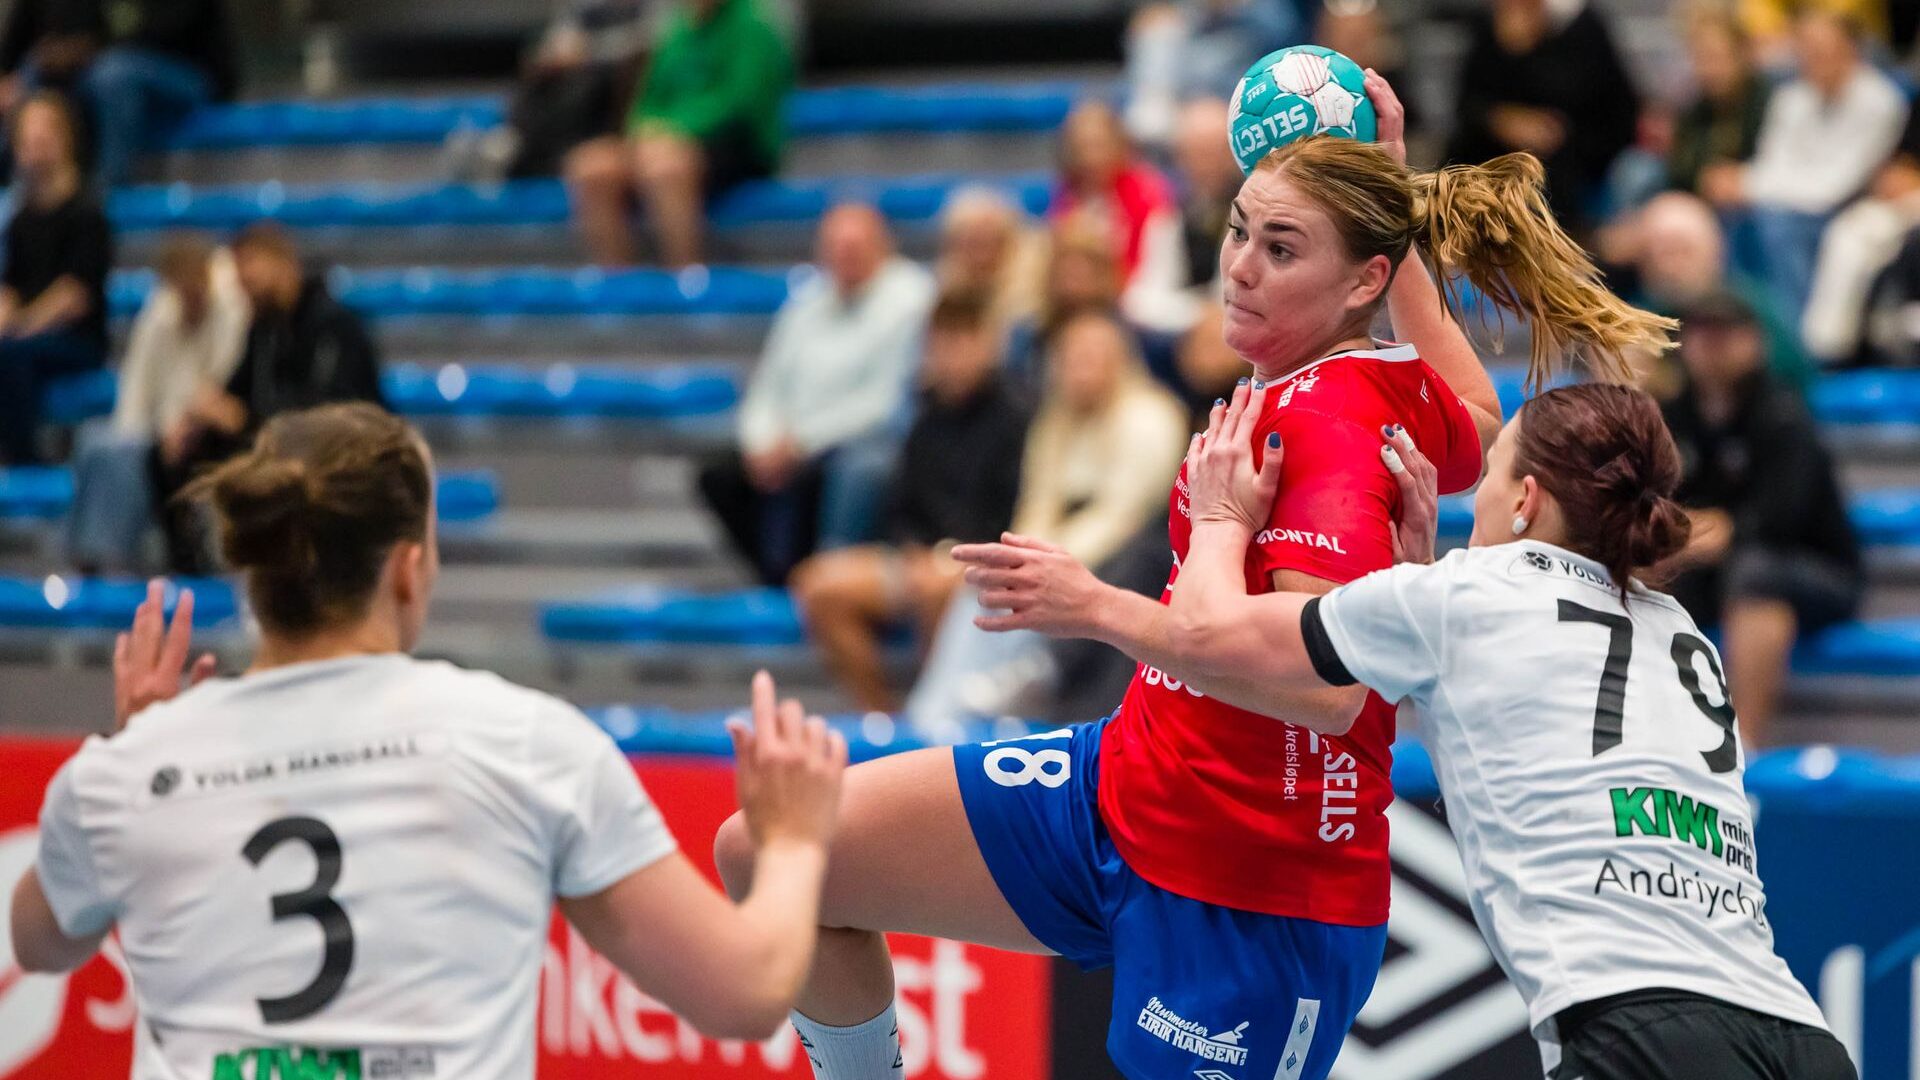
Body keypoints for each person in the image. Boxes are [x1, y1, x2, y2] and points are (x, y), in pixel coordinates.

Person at [710, 72, 1670, 1079]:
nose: (1240, 268)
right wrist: (1391, 203)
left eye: (1282, 249)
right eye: (1240, 231)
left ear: (1360, 283)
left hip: (1251, 884)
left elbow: (1330, 692)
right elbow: (1471, 415)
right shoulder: (1373, 378)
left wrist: (1100, 603)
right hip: (1125, 784)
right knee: (773, 851)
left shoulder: (1327, 429)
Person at [995, 377, 1854, 1080]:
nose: (1473, 497)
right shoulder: (1677, 628)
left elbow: (1212, 635)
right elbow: (1521, 707)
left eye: (1490, 476)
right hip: (1797, 1033)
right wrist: (1410, 576)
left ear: (1525, 499)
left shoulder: (1464, 599)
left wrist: (1190, 540)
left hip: (1644, 1033)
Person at [9, 402, 851, 1079]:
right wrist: (793, 841)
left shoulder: (126, 771)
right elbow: (745, 994)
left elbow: (42, 941)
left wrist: (139, 748)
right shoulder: (526, 743)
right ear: (408, 568)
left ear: (256, 576)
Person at [900, 310, 1188, 737]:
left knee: (1025, 587)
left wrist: (1043, 561)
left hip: (1122, 559)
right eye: (1071, 358)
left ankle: (1029, 677)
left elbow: (1124, 516)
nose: (1080, 369)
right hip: (1064, 546)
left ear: (1119, 360)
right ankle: (934, 715)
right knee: (983, 584)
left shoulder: (1151, 418)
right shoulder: (1055, 418)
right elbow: (1038, 503)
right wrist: (1018, 555)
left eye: (1092, 357)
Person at [791, 292, 1032, 714]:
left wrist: (948, 556)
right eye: (943, 342)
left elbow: (1014, 511)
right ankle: (880, 719)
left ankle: (932, 720)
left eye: (963, 341)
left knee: (942, 592)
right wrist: (914, 551)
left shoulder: (1018, 418)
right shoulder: (924, 416)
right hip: (917, 557)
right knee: (818, 586)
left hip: (980, 561)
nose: (952, 356)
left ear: (988, 346)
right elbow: (901, 504)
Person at [1657, 291, 1862, 747]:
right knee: (1645, 571)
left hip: (1814, 570)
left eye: (1724, 333)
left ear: (1753, 342)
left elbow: (1779, 520)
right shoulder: (1675, 414)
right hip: (1713, 569)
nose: (1711, 345)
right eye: (1701, 332)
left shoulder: (1783, 415)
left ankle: (1742, 742)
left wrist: (1707, 531)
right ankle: (1654, 735)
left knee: (1755, 572)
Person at [697, 204, 936, 586]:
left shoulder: (911, 299)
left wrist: (802, 443)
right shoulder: (806, 300)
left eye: (855, 247)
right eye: (836, 247)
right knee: (719, 471)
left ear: (883, 247)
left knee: (861, 469)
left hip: (864, 438)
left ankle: (834, 577)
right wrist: (761, 441)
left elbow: (884, 403)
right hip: (793, 440)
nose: (845, 256)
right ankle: (777, 578)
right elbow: (768, 385)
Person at [158, 222, 384, 572]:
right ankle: (194, 565)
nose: (243, 280)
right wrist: (196, 419)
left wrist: (243, 419)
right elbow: (234, 390)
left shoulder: (335, 325)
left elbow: (330, 411)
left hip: (333, 453)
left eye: (251, 264)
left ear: (282, 261)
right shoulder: (264, 328)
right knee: (177, 450)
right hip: (271, 439)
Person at [1700, 10, 1906, 329]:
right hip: (1787, 203)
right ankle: (1737, 321)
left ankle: (1793, 333)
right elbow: (1773, 162)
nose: (1813, 58)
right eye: (1806, 50)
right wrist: (1743, 184)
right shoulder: (1791, 97)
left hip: (1850, 205)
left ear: (1850, 49)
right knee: (1734, 215)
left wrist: (1748, 185)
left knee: (1778, 223)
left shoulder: (1880, 100)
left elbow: (1835, 185)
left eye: (1823, 49)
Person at [66, 235, 248, 572]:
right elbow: (136, 384)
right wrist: (135, 432)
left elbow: (220, 386)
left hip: (198, 430)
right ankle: (92, 559)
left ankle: (110, 558)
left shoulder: (233, 313)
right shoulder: (160, 314)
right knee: (95, 444)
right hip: (158, 428)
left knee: (122, 456)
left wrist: (177, 429)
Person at [563, 0, 792, 267]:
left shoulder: (754, 25)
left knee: (665, 168)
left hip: (734, 145)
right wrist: (645, 131)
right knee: (592, 167)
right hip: (663, 144)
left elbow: (741, 102)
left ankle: (685, 275)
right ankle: (617, 281)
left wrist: (677, 129)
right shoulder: (679, 30)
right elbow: (648, 99)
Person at [1446, 0, 1640, 237]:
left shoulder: (1583, 26)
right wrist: (1502, 119)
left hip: (1574, 156)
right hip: (1495, 155)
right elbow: (1469, 103)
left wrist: (1525, 52)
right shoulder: (1492, 26)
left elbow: (1605, 108)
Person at [0, 0, 238, 185]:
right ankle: (14, 190)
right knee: (31, 74)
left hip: (190, 73)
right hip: (106, 68)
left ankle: (109, 189)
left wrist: (90, 49)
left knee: (113, 73)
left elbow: (163, 30)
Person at [0, 92, 112, 466]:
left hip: (76, 341)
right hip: (27, 337)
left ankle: (26, 462)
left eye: (44, 136)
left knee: (10, 356)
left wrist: (19, 326)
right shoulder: (21, 219)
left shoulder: (87, 212)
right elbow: (11, 286)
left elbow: (74, 297)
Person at [1618, 192, 1812, 394]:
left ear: (1714, 252)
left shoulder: (1750, 308)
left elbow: (1796, 377)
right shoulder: (1637, 318)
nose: (1669, 266)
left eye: (1682, 251)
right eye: (1658, 253)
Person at [1802, 109, 1920, 365]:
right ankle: (1828, 351)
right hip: (1905, 201)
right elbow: (1899, 158)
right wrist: (1897, 177)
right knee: (1851, 229)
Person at [1123, 0, 1304, 146]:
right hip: (1182, 98)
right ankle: (1156, 100)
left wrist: (1236, 8)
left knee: (1207, 123)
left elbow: (1283, 41)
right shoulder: (1178, 15)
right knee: (1159, 32)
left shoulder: (1265, 14)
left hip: (1235, 101)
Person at [1048, 102, 1178, 296]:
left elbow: (1156, 263)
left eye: (1098, 145)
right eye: (1082, 147)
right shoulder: (1066, 194)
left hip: (1136, 293)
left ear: (1118, 144)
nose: (1090, 157)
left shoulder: (1147, 191)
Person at [1667, 9, 1771, 200]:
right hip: (1702, 201)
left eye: (1716, 57)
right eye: (1701, 59)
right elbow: (1679, 170)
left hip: (1758, 199)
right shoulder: (1694, 110)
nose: (1709, 70)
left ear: (1742, 54)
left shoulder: (1771, 102)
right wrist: (1706, 178)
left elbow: (1780, 165)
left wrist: (1744, 178)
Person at [931, 187, 1043, 330]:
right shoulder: (946, 285)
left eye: (989, 239)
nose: (981, 253)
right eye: (973, 241)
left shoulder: (1032, 289)